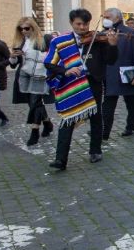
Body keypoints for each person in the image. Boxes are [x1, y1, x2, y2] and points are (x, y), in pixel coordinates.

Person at [44, 9, 118, 170]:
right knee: (67, 119)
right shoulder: (60, 41)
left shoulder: (98, 40)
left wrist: (112, 45)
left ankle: (95, 151)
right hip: (70, 84)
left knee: (95, 116)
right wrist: (65, 71)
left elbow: (111, 60)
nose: (83, 27)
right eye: (78, 24)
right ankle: (60, 159)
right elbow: (49, 63)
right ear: (71, 23)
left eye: (85, 24)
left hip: (93, 82)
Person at [102, 8, 134, 139]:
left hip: (126, 73)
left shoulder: (130, 33)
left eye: (108, 17)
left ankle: (131, 126)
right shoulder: (102, 33)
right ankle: (104, 131)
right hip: (109, 74)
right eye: (104, 17)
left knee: (133, 103)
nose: (105, 19)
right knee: (108, 105)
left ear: (117, 18)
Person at [9, 17, 54, 145]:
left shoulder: (45, 40)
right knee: (33, 102)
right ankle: (47, 123)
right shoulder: (19, 42)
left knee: (35, 101)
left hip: (40, 75)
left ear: (33, 27)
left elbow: (53, 56)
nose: (23, 31)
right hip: (24, 76)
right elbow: (13, 64)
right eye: (21, 28)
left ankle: (34, 131)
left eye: (26, 28)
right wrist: (12, 57)